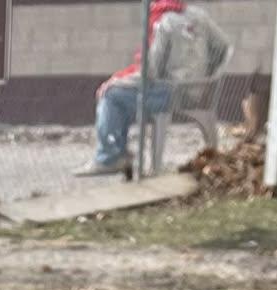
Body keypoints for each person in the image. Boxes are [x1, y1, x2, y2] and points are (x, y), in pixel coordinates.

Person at [77, 0, 232, 176]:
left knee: (112, 94)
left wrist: (116, 82)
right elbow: (224, 47)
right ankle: (116, 153)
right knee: (123, 95)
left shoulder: (163, 22)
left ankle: (110, 157)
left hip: (169, 92)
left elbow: (151, 73)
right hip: (196, 92)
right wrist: (208, 76)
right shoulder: (199, 16)